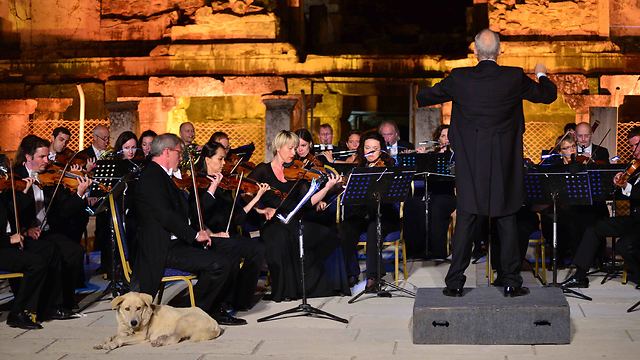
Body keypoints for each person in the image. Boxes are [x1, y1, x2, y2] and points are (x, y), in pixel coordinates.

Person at [416, 29, 557, 297]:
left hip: (471, 164)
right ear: (499, 51)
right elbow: (547, 95)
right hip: (504, 164)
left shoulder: (460, 78)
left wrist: (443, 86)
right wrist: (540, 73)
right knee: (506, 219)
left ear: (476, 52)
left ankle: (455, 283)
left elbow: (425, 97)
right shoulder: (514, 77)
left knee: (467, 219)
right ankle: (510, 281)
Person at [132, 134, 235, 323]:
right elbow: (165, 216)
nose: (181, 158)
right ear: (167, 152)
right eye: (179, 153)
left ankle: (213, 307)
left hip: (178, 241)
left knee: (230, 252)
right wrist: (195, 235)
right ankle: (194, 312)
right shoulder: (151, 176)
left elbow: (183, 212)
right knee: (219, 264)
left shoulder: (164, 175)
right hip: (163, 248)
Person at [248, 130, 347, 302]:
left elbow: (308, 202)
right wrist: (261, 210)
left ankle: (320, 285)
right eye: (291, 148)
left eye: (295, 148)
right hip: (272, 223)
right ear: (279, 148)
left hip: (294, 220)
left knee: (329, 235)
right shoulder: (262, 170)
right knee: (280, 238)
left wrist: (326, 187)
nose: (295, 153)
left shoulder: (297, 171)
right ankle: (285, 290)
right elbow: (245, 195)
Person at [191, 141, 268, 316]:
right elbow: (197, 217)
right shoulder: (197, 183)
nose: (224, 163)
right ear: (208, 160)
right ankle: (224, 299)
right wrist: (213, 233)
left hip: (227, 235)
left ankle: (241, 298)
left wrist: (257, 198)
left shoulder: (224, 184)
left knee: (258, 248)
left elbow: (236, 217)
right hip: (210, 238)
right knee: (233, 250)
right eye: (220, 159)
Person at [13, 135, 89, 312]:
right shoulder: (15, 177)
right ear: (28, 157)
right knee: (51, 252)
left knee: (74, 251)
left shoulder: (51, 178)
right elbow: (11, 212)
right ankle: (52, 304)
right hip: (25, 235)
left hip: (47, 231)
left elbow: (62, 211)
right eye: (42, 157)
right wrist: (25, 230)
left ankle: (67, 301)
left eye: (48, 156)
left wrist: (79, 194)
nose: (47, 161)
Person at [563, 126, 640, 288]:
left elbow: (636, 192)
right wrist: (617, 185)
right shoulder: (635, 168)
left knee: (624, 246)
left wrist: (627, 186)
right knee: (595, 228)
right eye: (631, 146)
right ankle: (580, 275)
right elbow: (624, 196)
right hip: (634, 219)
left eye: (636, 145)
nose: (634, 150)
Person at [338, 132, 397, 288]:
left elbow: (391, 198)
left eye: (375, 148)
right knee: (346, 228)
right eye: (367, 148)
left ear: (381, 150)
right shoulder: (358, 169)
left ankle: (373, 276)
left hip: (382, 215)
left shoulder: (388, 167)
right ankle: (351, 273)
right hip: (361, 214)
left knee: (373, 229)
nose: (370, 152)